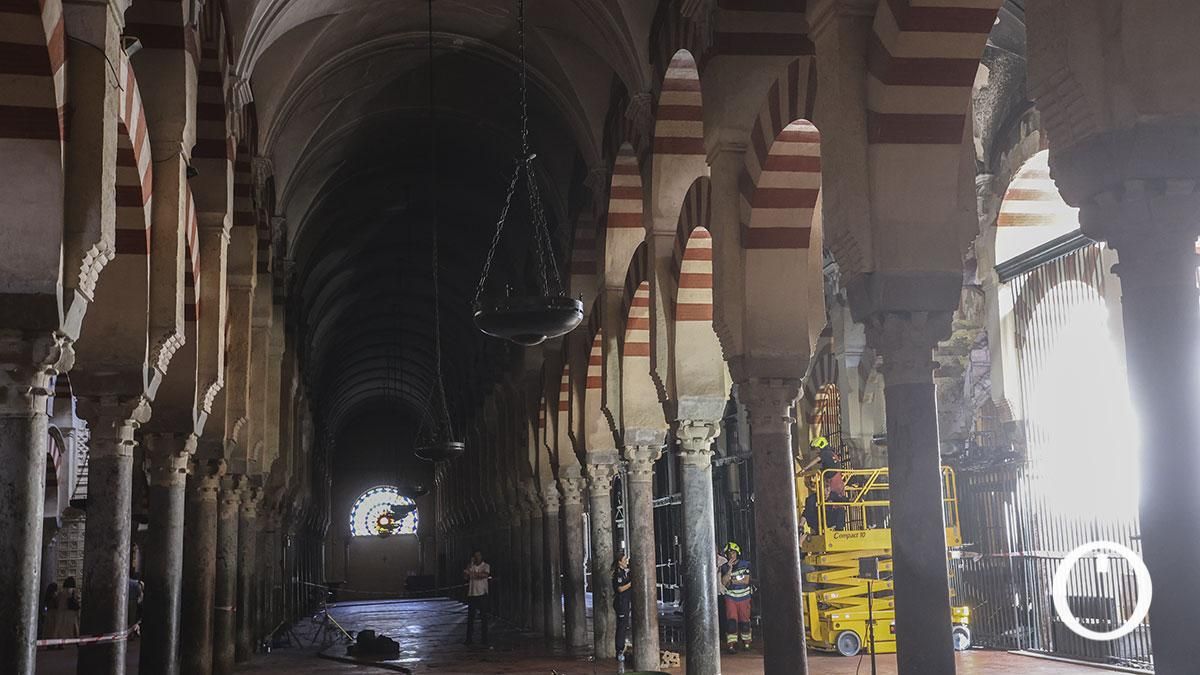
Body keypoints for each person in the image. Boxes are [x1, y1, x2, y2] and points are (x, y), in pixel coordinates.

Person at [719, 542, 754, 654]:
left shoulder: (745, 564)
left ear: (737, 553)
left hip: (744, 596)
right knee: (731, 621)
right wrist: (729, 569)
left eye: (733, 553)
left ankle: (746, 642)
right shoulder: (724, 567)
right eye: (729, 553)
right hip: (731, 597)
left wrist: (732, 581)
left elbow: (746, 581)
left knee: (745, 621)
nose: (731, 555)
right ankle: (731, 645)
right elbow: (724, 582)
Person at [463, 550, 490, 646]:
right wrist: (470, 565)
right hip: (472, 594)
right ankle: (469, 639)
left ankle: (484, 640)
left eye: (479, 555)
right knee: (470, 618)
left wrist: (472, 574)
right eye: (475, 556)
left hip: (482, 594)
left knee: (484, 618)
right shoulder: (471, 566)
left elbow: (484, 575)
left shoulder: (485, 566)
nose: (477, 557)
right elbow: (465, 577)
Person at [612, 552, 632, 662]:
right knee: (621, 627)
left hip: (625, 602)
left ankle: (622, 647)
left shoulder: (624, 572)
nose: (627, 562)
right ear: (620, 562)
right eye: (625, 560)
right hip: (620, 603)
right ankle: (619, 650)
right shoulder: (618, 573)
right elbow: (619, 589)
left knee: (624, 625)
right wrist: (630, 584)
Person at [47, 576, 80, 643]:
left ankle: (57, 642)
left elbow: (57, 601)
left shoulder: (61, 592)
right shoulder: (73, 591)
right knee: (73, 627)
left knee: (59, 628)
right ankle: (76, 640)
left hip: (60, 612)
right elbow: (76, 601)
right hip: (71, 612)